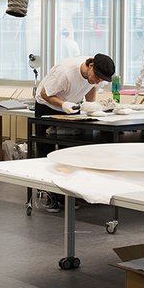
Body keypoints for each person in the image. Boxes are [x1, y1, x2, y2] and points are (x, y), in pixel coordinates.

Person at [33, 52, 116, 212]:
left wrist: (91, 107)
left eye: (101, 80)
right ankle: (49, 195)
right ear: (91, 65)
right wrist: (63, 105)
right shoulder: (66, 72)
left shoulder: (95, 77)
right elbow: (45, 93)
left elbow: (91, 88)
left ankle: (66, 195)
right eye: (97, 77)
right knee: (47, 152)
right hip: (47, 106)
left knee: (69, 153)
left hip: (71, 107)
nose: (97, 81)